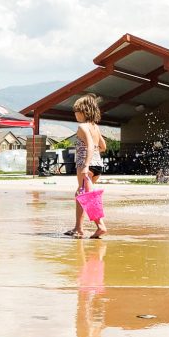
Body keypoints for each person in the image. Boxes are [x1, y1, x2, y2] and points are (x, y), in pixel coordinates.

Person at [64, 94, 108, 239]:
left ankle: (99, 226)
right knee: (82, 195)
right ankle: (78, 228)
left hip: (86, 165)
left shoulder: (82, 127)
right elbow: (103, 146)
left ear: (84, 112)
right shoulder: (95, 127)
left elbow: (89, 145)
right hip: (98, 166)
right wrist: (94, 153)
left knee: (86, 197)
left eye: (76, 111)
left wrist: (86, 163)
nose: (75, 114)